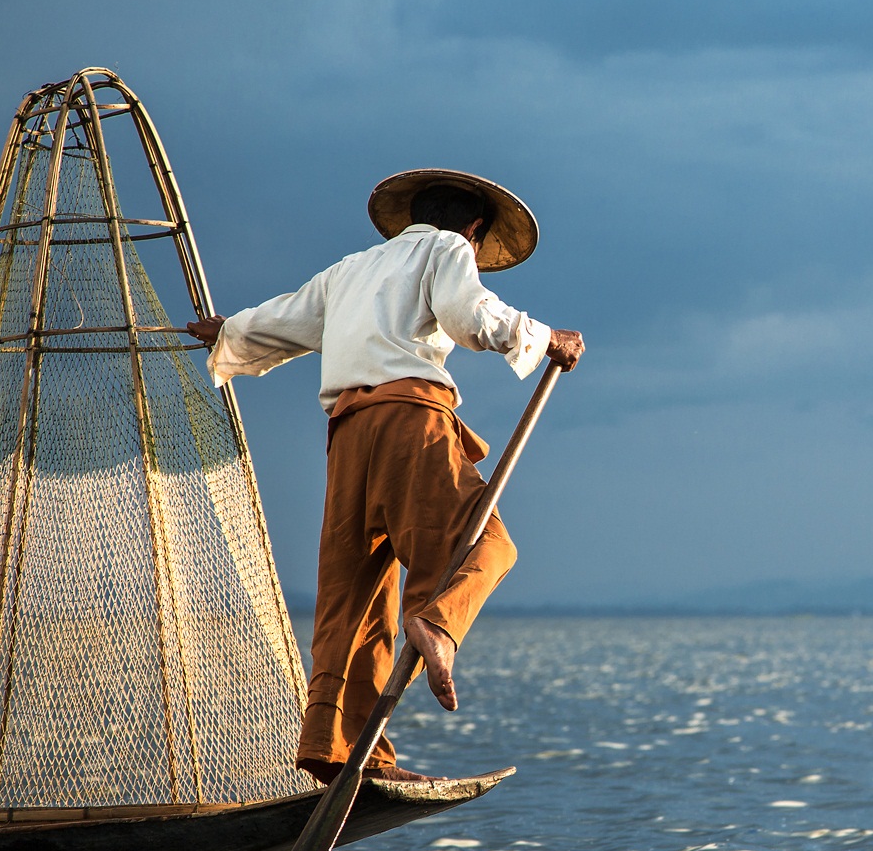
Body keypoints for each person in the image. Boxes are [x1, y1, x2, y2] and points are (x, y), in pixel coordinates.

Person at [186, 169, 583, 784]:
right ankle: (439, 623)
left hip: (348, 440)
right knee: (487, 545)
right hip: (408, 421)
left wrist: (228, 331)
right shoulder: (447, 248)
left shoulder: (350, 270)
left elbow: (284, 319)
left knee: (355, 599)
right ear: (473, 230)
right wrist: (542, 337)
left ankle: (344, 750)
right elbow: (467, 314)